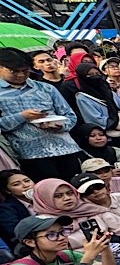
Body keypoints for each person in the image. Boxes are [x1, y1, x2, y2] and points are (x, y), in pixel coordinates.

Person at [0, 48, 83, 181]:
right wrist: (22, 116)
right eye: (14, 71)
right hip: (30, 155)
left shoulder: (46, 88)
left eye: (25, 70)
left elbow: (70, 116)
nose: (21, 75)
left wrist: (59, 125)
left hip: (65, 149)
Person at [33, 177, 120, 255]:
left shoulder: (89, 209)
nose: (67, 198)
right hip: (82, 260)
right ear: (45, 199)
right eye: (58, 196)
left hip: (111, 251)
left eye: (69, 193)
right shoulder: (44, 223)